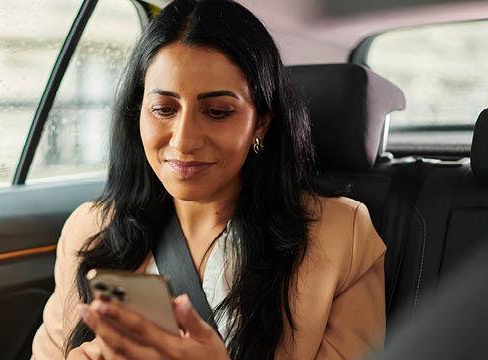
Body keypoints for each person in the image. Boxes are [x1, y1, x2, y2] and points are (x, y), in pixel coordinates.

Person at [30, 0, 386, 359]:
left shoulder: (343, 236)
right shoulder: (90, 229)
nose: (183, 140)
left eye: (218, 112)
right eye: (164, 109)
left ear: (260, 122)